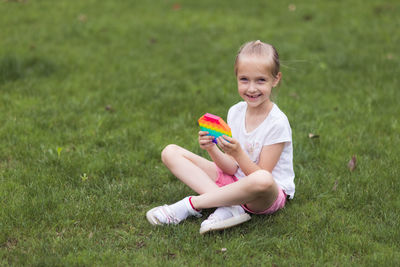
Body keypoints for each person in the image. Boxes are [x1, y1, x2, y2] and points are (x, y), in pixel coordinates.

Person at [146, 40, 295, 234]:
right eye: (244, 79)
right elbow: (231, 168)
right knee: (170, 152)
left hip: (264, 194)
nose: (251, 88)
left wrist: (239, 153)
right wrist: (212, 148)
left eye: (260, 80)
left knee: (263, 179)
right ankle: (230, 207)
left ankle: (191, 205)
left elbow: (261, 175)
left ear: (275, 79)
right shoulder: (235, 112)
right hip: (235, 179)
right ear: (236, 78)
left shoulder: (277, 123)